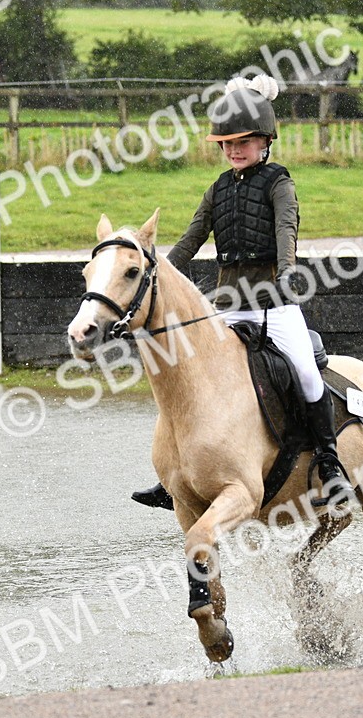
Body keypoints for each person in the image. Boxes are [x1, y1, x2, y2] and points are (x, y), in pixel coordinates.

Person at [132, 74, 351, 512]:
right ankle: (175, 474)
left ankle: (329, 463)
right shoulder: (217, 189)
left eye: (243, 142)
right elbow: (191, 239)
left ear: (266, 141)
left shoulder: (279, 184)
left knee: (307, 374)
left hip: (275, 307)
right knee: (186, 371)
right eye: (227, 144)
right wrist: (161, 273)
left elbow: (285, 231)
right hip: (228, 309)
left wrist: (288, 271)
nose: (234, 151)